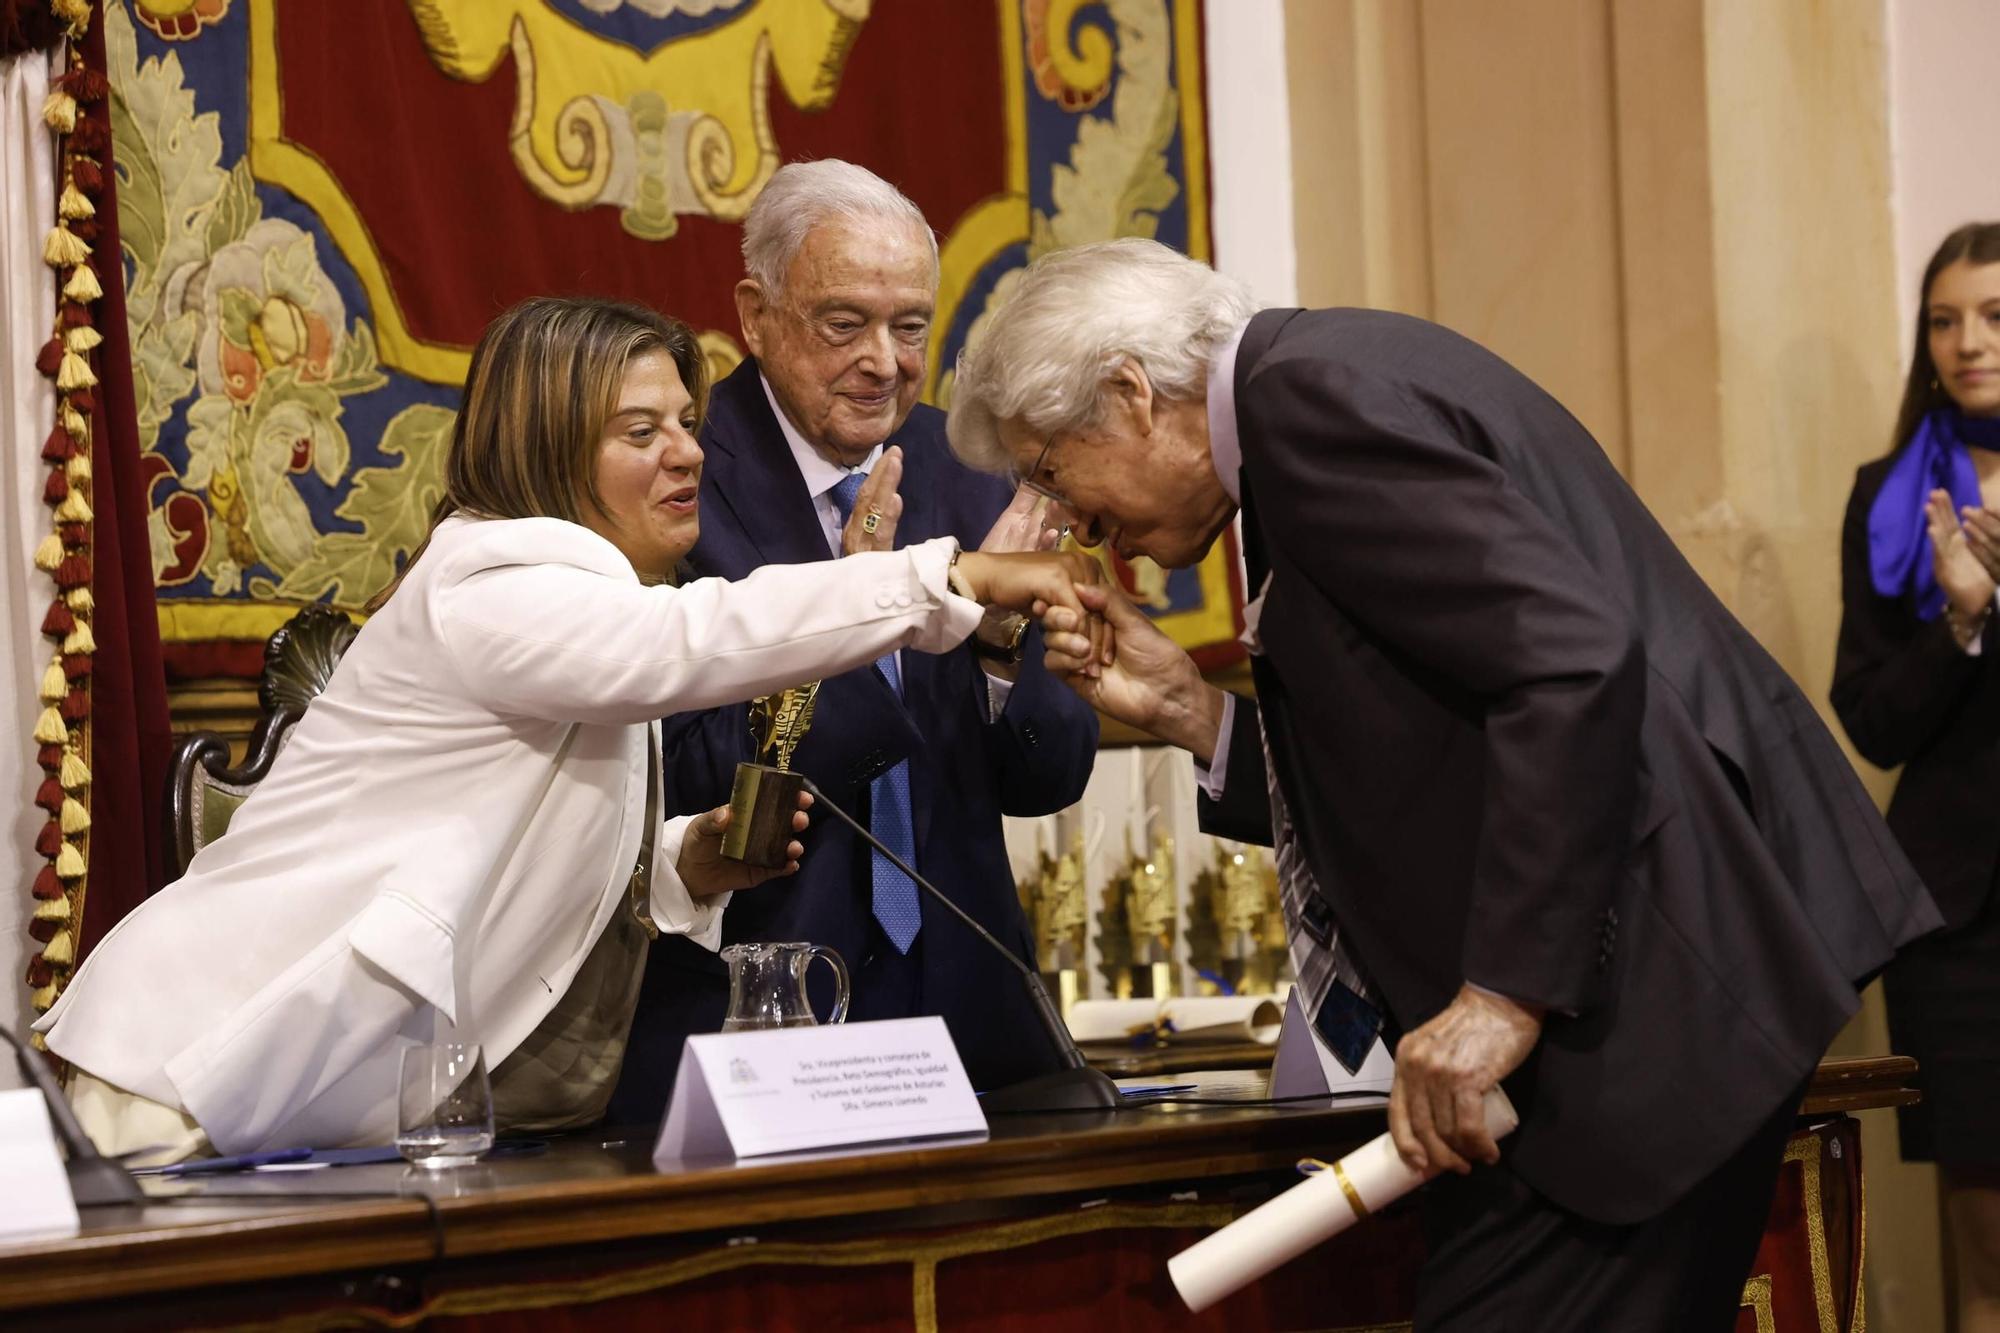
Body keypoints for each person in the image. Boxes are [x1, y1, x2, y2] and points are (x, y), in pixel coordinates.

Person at [945, 238, 1940, 1330]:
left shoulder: (1308, 407)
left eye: (1050, 470)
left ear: (1132, 395)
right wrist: (1193, 713)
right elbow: (1434, 743)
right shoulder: (1308, 393)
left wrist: (1498, 997)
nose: (1071, 521)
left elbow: (1569, 660)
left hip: (1638, 1008)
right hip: (1639, 998)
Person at [34, 297, 1100, 1161]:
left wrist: (685, 861)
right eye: (641, 433)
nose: (686, 453)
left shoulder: (580, 597)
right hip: (193, 1076)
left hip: (326, 1100)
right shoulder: (493, 579)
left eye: (687, 422)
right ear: (548, 447)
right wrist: (942, 572)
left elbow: (523, 843)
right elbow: (687, 639)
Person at [609, 163, 1098, 1117]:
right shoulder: (675, 483)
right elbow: (682, 774)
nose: (885, 359)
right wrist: (857, 600)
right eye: (845, 323)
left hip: (977, 1022)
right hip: (753, 1015)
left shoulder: (972, 476)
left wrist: (998, 651)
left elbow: (1052, 773)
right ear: (756, 314)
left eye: (910, 326)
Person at [1832, 222, 2000, 1333]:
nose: (1965, 341)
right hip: (1964, 921)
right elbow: (1871, 720)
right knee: (1985, 1252)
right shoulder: (1893, 497)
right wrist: (1959, 617)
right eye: (1942, 320)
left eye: (1990, 315)